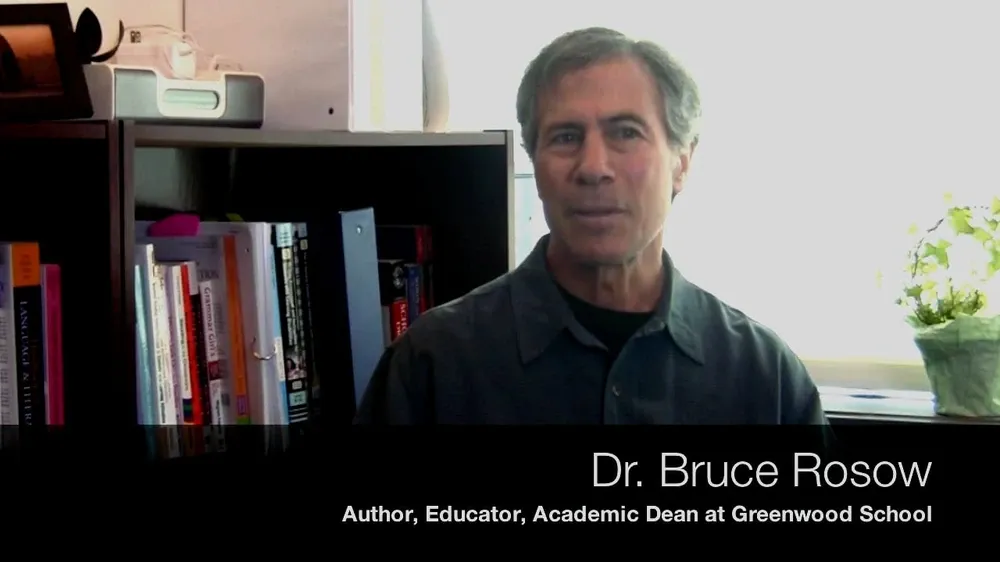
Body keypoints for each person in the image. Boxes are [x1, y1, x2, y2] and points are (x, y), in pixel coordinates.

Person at [355, 27, 828, 425]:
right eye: (566, 137)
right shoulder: (433, 366)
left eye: (626, 133)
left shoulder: (765, 379)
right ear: (534, 164)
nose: (594, 167)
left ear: (682, 163)